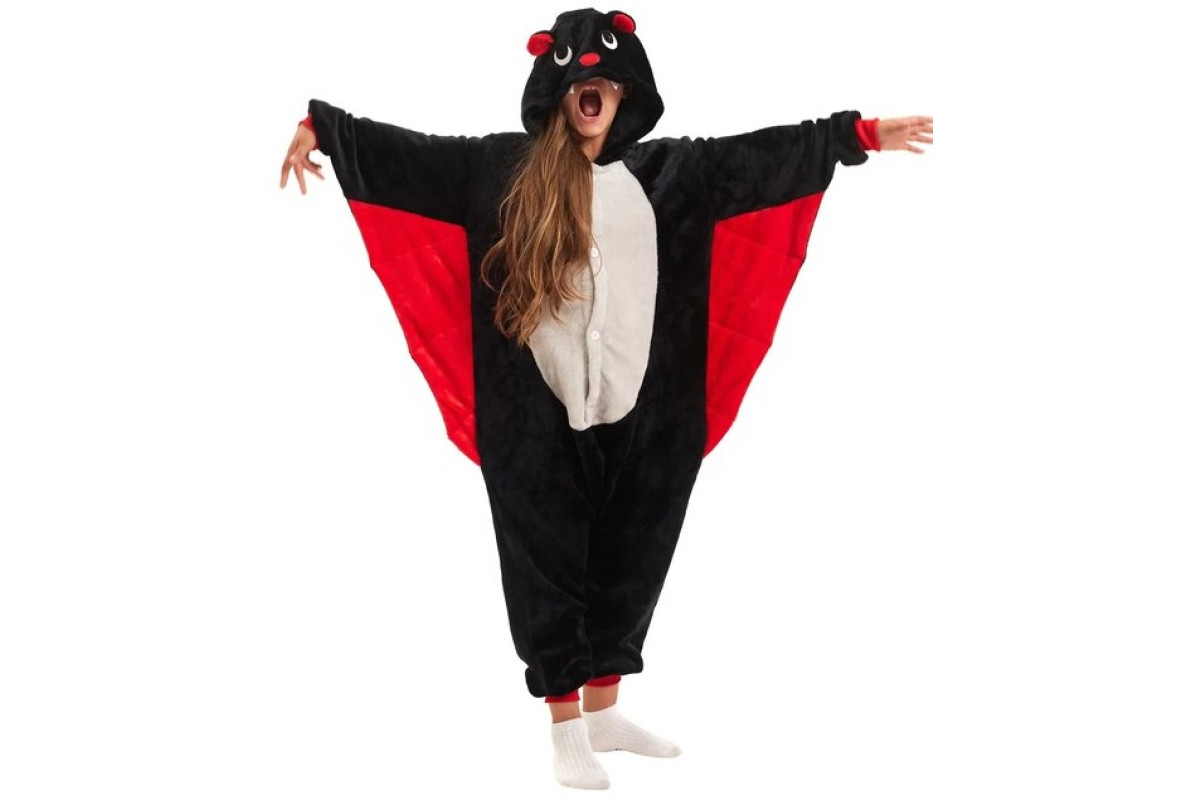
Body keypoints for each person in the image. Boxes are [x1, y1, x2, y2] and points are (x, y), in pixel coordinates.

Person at [279, 8, 932, 791]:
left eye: (605, 80)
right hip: (534, 413)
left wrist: (854, 136)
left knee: (635, 553)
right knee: (547, 558)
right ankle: (565, 729)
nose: (590, 91)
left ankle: (604, 710)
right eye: (575, 81)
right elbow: (408, 157)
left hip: (645, 412)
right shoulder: (504, 171)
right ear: (556, 92)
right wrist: (321, 129)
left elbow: (761, 158)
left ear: (625, 91)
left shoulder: (671, 174)